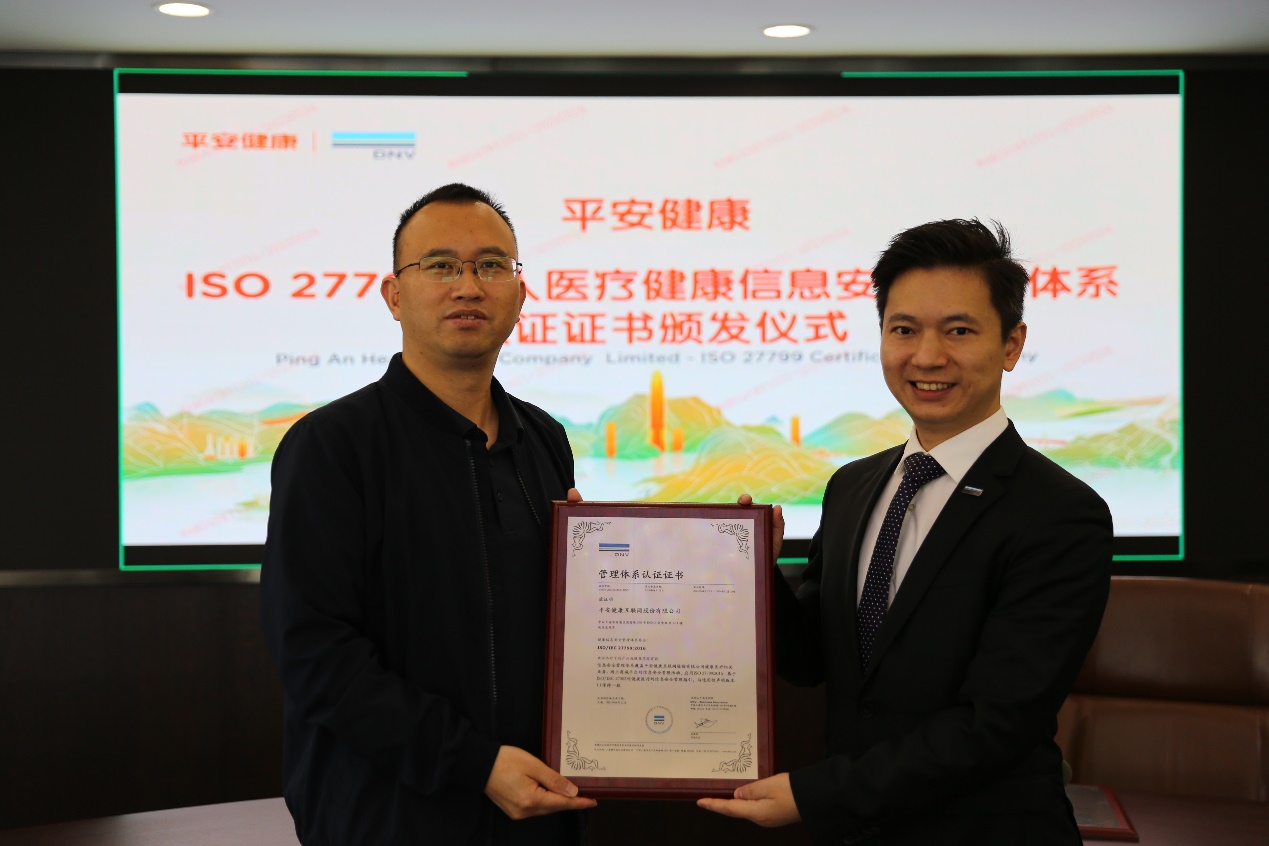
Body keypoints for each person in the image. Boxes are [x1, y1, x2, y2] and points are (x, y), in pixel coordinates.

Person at [701, 219, 1113, 844]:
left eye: (959, 330)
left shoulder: (1060, 513)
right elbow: (813, 660)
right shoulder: (852, 486)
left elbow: (995, 724)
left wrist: (818, 794)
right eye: (904, 330)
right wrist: (755, 572)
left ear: (1011, 344)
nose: (926, 357)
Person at [260, 183, 595, 845]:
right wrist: (475, 763)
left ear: (520, 294)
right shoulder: (332, 445)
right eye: (440, 265)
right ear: (393, 295)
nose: (467, 286)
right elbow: (313, 651)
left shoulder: (543, 439)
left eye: (491, 265)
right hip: (387, 816)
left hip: (539, 807)